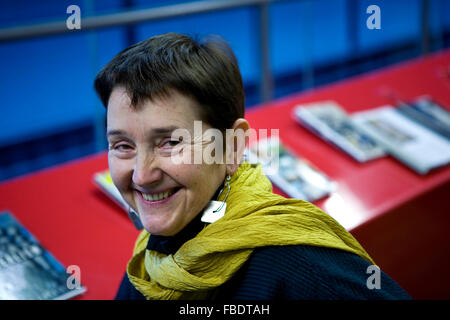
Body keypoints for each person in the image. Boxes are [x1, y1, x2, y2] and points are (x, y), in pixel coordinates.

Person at [94, 32, 411, 300]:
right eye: (122, 146)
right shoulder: (149, 255)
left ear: (232, 146)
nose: (142, 175)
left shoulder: (302, 266)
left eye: (170, 142)